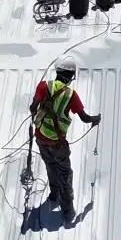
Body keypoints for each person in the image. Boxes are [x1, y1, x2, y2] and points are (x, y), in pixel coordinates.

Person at [30, 56, 100, 220]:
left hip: (41, 138)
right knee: (65, 173)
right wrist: (95, 119)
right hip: (58, 143)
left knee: (50, 165)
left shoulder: (43, 86)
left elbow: (33, 107)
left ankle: (54, 194)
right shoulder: (71, 95)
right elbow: (84, 118)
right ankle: (68, 211)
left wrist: (37, 114)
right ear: (69, 76)